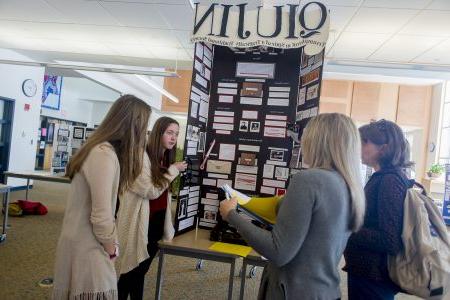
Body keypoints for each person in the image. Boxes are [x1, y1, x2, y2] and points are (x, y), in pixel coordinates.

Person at [220, 113, 366, 300]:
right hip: (325, 291)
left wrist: (232, 215)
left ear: (318, 140)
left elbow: (278, 252)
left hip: (292, 291)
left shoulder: (309, 180)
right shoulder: (349, 185)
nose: (301, 141)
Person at [52, 95, 152, 300]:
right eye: (144, 126)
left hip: (83, 240)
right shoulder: (103, 154)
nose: (145, 133)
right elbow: (101, 214)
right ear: (133, 124)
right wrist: (111, 246)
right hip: (88, 244)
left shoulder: (102, 150)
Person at [117, 116, 187, 300]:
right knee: (131, 272)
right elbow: (150, 191)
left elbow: (163, 193)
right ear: (158, 132)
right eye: (169, 133)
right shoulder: (142, 156)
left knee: (138, 272)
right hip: (140, 222)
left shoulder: (165, 158)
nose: (173, 138)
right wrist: (173, 171)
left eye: (176, 134)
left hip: (156, 222)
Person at [344, 119, 414, 300]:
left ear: (383, 148)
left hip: (374, 277)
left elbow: (389, 239)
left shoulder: (389, 180)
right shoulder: (383, 177)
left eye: (365, 142)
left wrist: (347, 229)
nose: (359, 147)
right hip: (367, 273)